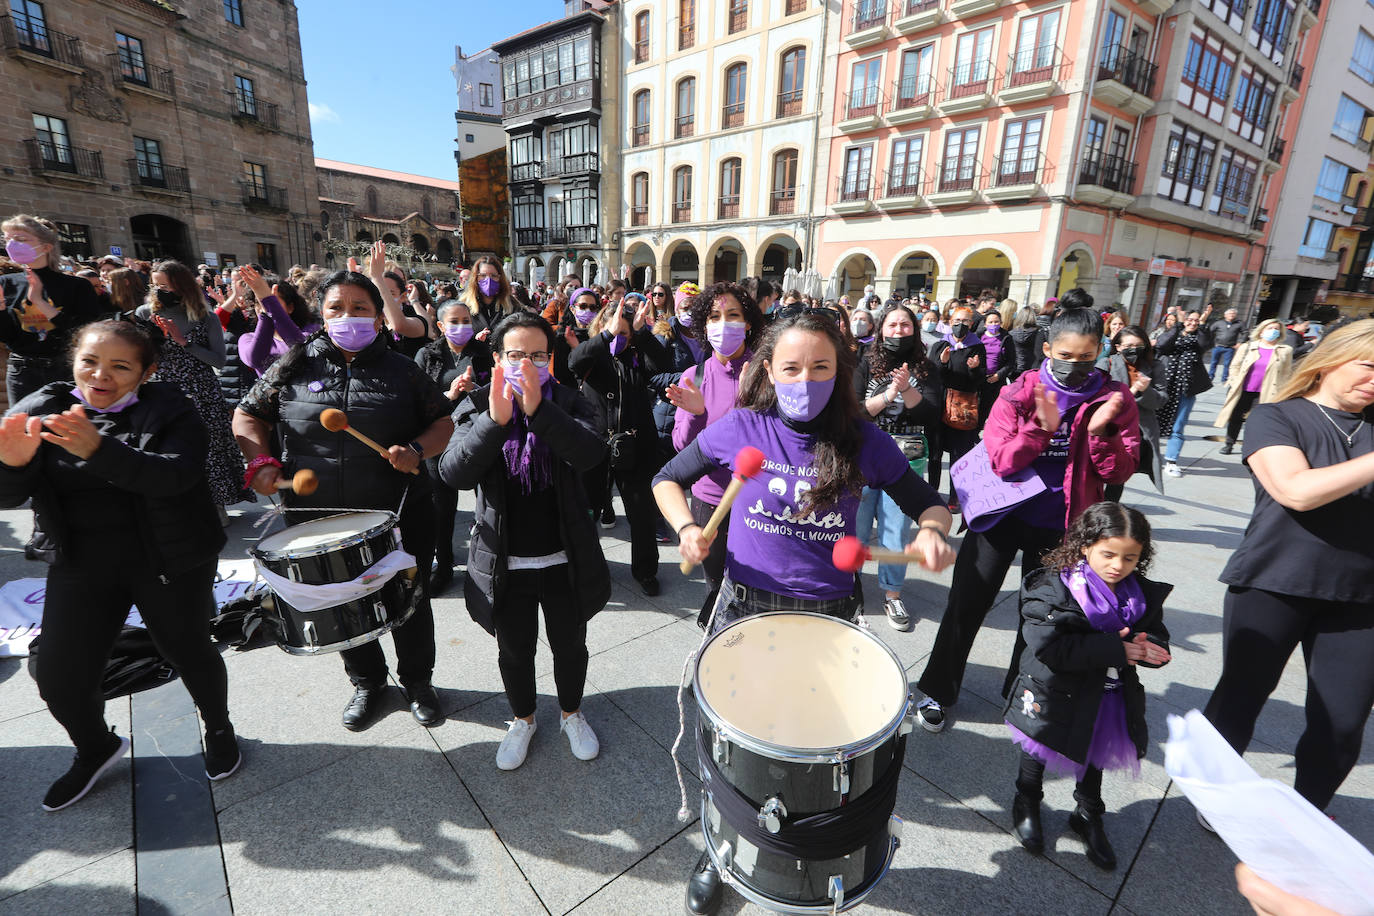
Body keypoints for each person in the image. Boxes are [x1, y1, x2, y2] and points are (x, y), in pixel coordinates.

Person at [652, 312, 955, 916]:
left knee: (812, 739)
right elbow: (668, 478)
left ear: (840, 371)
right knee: (739, 742)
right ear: (769, 370)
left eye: (821, 367)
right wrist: (687, 528)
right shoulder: (743, 427)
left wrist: (930, 534)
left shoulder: (863, 439)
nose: (805, 380)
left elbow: (930, 503)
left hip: (829, 614)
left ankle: (814, 848)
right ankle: (721, 851)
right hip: (746, 609)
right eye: (791, 368)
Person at [0, 319, 240, 810]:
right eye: (89, 361)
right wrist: (13, 465)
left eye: (119, 366)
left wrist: (98, 449)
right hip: (83, 563)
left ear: (145, 372)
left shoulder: (173, 409)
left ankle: (218, 726)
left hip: (170, 558)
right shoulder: (43, 408)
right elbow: (9, 493)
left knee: (188, 649)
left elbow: (174, 477)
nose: (100, 375)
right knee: (59, 676)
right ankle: (96, 747)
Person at [233, 269, 454, 731]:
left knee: (409, 600)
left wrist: (415, 451)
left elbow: (443, 424)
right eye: (336, 308)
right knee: (341, 599)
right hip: (318, 515)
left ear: (378, 318)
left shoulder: (403, 369)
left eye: (360, 309)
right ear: (321, 313)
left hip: (398, 511)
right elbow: (248, 415)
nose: (347, 317)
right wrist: (260, 463)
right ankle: (367, 681)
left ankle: (418, 682)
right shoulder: (295, 363)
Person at [914, 308, 1140, 732]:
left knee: (1041, 617)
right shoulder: (1021, 390)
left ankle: (1022, 694)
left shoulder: (1114, 399)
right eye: (1066, 355)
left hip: (1063, 524)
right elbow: (1001, 459)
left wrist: (1102, 433)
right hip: (1002, 515)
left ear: (1099, 353)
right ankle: (939, 689)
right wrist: (1040, 427)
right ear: (1049, 349)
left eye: (1087, 356)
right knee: (966, 605)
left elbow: (1120, 472)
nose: (1076, 365)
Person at [1203, 320, 1374, 813]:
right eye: (1367, 366)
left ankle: (1306, 816)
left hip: (1361, 598)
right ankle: (1216, 796)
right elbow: (1296, 491)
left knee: (1343, 721)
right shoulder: (1278, 417)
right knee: (1241, 697)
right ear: (1331, 358)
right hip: (1274, 581)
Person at [440, 312, 610, 770]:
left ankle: (572, 713)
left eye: (538, 355)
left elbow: (591, 453)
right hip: (504, 561)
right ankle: (524, 718)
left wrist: (540, 411)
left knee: (569, 645)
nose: (528, 364)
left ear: (551, 360)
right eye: (516, 355)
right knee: (514, 649)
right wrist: (496, 423)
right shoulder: (477, 406)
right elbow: (453, 472)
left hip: (565, 557)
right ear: (497, 359)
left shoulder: (573, 402)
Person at [1005, 502, 1171, 870]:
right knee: (1037, 746)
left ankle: (1088, 812)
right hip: (1052, 689)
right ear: (1085, 545)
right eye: (1108, 554)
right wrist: (1117, 648)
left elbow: (1155, 632)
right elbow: (1049, 646)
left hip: (1107, 693)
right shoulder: (1052, 587)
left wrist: (1151, 648)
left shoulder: (1138, 594)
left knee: (1093, 750)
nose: (1118, 565)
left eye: (1130, 558)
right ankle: (1027, 799)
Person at [665, 282, 765, 627]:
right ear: (704, 326)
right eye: (715, 316)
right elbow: (681, 447)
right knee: (717, 586)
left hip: (758, 501)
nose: (724, 324)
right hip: (709, 501)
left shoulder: (766, 373)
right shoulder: (695, 374)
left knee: (754, 587)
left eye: (733, 315)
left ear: (748, 322)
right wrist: (697, 413)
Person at [570, 292, 670, 595]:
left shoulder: (637, 356)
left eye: (624, 333)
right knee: (588, 512)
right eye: (615, 332)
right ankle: (587, 567)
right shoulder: (592, 354)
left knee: (641, 515)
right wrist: (607, 335)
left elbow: (661, 363)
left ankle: (645, 571)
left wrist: (639, 332)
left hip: (636, 447)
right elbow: (575, 361)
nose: (619, 338)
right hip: (594, 447)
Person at [854, 303, 943, 630]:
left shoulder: (926, 367)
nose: (898, 331)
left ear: (914, 329)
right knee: (857, 529)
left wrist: (906, 389)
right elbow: (855, 412)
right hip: (863, 458)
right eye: (892, 325)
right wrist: (888, 393)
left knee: (896, 531)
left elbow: (931, 415)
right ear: (881, 329)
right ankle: (852, 590)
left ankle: (892, 595)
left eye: (905, 325)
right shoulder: (865, 362)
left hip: (905, 460)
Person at [136, 260, 246, 515]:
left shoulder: (205, 317)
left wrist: (182, 341)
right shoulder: (145, 313)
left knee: (209, 448)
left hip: (201, 390)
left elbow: (218, 360)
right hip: (161, 389)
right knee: (168, 448)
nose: (158, 290)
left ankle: (215, 504)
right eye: (155, 284)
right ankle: (179, 505)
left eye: (165, 285)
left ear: (181, 285)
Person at [415, 299, 493, 592]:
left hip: (479, 434)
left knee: (487, 502)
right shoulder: (427, 355)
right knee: (441, 507)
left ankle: (488, 563)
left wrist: (476, 391)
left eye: (466, 321)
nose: (461, 327)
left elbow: (500, 390)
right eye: (454, 321)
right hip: (440, 436)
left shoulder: (485, 353)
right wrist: (447, 394)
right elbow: (417, 399)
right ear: (440, 326)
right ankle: (444, 565)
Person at [0, 215, 103, 405]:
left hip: (64, 368)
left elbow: (84, 333)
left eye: (20, 239)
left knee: (65, 428)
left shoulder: (77, 286)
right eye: (8, 239)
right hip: (22, 370)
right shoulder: (6, 282)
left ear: (46, 247)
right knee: (24, 429)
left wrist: (40, 302)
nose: (12, 245)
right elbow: (8, 337)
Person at [928, 305, 986, 509]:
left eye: (965, 322)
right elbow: (932, 375)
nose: (960, 326)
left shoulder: (977, 347)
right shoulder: (941, 344)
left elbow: (980, 381)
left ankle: (955, 496)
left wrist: (975, 370)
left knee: (958, 455)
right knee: (935, 453)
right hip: (939, 404)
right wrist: (942, 363)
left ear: (971, 324)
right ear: (949, 322)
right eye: (956, 321)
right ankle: (931, 492)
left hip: (962, 405)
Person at [1103, 326, 1169, 501]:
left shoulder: (1155, 366)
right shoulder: (1106, 364)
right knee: (1097, 469)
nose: (1134, 350)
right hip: (1108, 426)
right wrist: (1132, 391)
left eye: (1139, 345)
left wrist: (1146, 390)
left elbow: (1160, 400)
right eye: (1129, 345)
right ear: (1118, 346)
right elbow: (1100, 399)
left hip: (1137, 431)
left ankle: (1109, 509)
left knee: (1119, 475)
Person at [1214, 319, 1295, 455]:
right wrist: (1234, 380)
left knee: (1257, 421)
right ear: (1261, 331)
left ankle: (1250, 447)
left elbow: (1287, 372)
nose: (1273, 331)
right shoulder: (1247, 347)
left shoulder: (1285, 350)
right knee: (1236, 418)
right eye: (1270, 328)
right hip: (1244, 389)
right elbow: (1235, 366)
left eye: (1276, 329)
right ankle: (1229, 443)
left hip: (1267, 391)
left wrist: (1284, 390)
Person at [1155, 310, 1213, 477]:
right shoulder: (1171, 334)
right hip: (1163, 387)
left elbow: (1205, 344)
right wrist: (1179, 325)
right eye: (1189, 319)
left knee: (1178, 427)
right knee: (1152, 424)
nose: (1192, 323)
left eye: (1196, 320)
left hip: (1185, 390)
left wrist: (1202, 324)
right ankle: (1146, 456)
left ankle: (1171, 461)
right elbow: (1162, 345)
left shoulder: (1199, 338)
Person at [236, 265, 319, 376]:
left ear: (290, 307)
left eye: (273, 301)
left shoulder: (311, 331)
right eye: (258, 302)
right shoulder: (247, 338)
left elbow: (301, 348)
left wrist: (270, 304)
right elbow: (254, 359)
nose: (262, 307)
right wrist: (267, 315)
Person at [463, 256, 515, 334]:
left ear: (500, 278)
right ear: (476, 278)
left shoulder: (512, 305)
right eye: (483, 275)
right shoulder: (464, 306)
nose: (488, 280)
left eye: (493, 276)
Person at [1208, 307, 1246, 382]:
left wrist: (1240, 342)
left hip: (1230, 347)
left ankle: (1224, 378)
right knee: (1213, 362)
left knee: (1227, 364)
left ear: (1235, 315)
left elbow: (1245, 333)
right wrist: (1212, 342)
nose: (1231, 315)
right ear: (1225, 315)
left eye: (1233, 314)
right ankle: (1210, 376)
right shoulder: (1219, 323)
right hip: (1217, 346)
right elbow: (1210, 332)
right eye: (1229, 314)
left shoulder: (1239, 324)